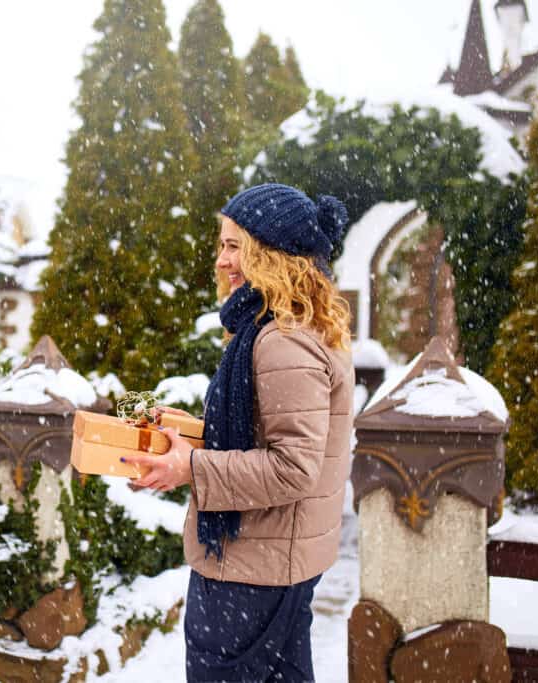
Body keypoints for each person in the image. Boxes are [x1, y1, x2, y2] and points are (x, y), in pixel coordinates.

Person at [123, 183, 355, 682]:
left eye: (235, 246)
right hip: (273, 562)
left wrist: (190, 467)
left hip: (252, 570)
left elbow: (293, 467)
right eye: (221, 245)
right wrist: (187, 432)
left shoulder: (282, 340)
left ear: (270, 255)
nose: (221, 260)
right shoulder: (290, 327)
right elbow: (263, 431)